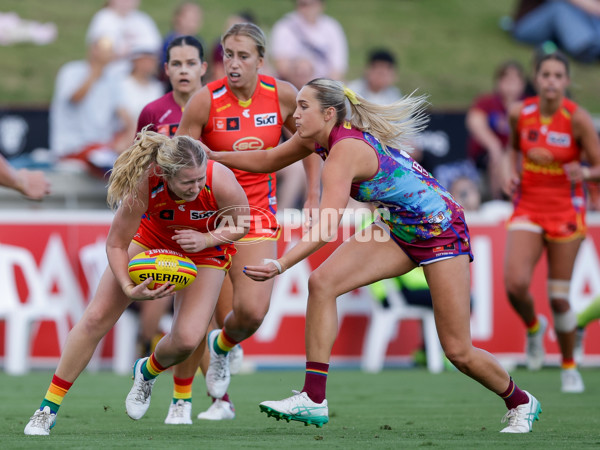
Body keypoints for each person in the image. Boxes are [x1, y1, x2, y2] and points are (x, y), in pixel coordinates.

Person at [207, 78, 542, 433]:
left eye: (304, 106)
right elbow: (269, 158)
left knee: (458, 351)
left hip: (440, 227)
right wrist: (213, 157)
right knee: (322, 283)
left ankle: (521, 401)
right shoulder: (315, 137)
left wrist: (280, 263)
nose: (296, 112)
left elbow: (326, 227)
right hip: (398, 226)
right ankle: (313, 397)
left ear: (329, 113)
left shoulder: (344, 151)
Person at [23, 129, 249, 436]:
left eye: (199, 179)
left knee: (186, 340)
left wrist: (207, 237)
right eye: (187, 182)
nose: (196, 187)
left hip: (206, 248)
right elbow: (116, 244)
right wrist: (129, 288)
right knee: (96, 318)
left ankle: (147, 370)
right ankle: (47, 408)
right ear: (166, 175)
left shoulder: (218, 178)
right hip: (152, 241)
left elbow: (242, 222)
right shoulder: (145, 183)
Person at [161, 22, 320, 424]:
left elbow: (311, 144)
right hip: (209, 216)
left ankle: (224, 346)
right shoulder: (204, 101)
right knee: (193, 318)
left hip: (256, 217)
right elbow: (179, 163)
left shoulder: (283, 95)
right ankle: (181, 399)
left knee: (250, 313)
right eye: (227, 55)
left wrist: (315, 194)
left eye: (243, 56)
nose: (233, 64)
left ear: (260, 60)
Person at [503, 51, 600, 393]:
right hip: (528, 205)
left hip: (566, 211)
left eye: (559, 76)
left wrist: (585, 171)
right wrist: (508, 172)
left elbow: (598, 167)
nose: (552, 81)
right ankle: (533, 328)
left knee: (559, 297)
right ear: (536, 78)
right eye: (546, 74)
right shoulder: (520, 113)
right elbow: (511, 149)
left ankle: (569, 365)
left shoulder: (577, 119)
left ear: (567, 81)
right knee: (514, 283)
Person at [132, 35, 207, 359]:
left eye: (190, 63)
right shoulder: (153, 111)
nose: (183, 70)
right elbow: (136, 164)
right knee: (160, 283)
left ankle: (214, 385)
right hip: (160, 217)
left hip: (206, 219)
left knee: (213, 312)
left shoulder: (217, 106)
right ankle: (145, 349)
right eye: (176, 64)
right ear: (166, 70)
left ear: (203, 67)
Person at [49, 37, 128, 178]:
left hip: (103, 148)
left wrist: (127, 138)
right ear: (93, 49)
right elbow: (75, 98)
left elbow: (125, 117)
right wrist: (96, 71)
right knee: (115, 168)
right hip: (72, 147)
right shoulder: (71, 71)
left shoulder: (113, 78)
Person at [466, 60, 526, 202]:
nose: (510, 84)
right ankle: (500, 198)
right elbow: (474, 121)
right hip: (489, 157)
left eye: (515, 79)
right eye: (506, 79)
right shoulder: (487, 102)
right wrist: (493, 145)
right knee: (501, 157)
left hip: (520, 155)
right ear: (498, 82)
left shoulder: (529, 105)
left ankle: (515, 198)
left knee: (513, 156)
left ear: (522, 83)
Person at [270, 0, 348, 82]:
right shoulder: (285, 26)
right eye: (303, 4)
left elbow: (338, 69)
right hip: (294, 83)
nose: (308, 9)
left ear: (321, 5)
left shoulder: (332, 27)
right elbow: (282, 67)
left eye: (312, 4)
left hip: (323, 86)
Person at [510, 0, 600, 63]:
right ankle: (584, 48)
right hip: (527, 25)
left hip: (556, 31)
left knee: (591, 17)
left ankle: (593, 45)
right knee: (560, 7)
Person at [85, 0, 161, 73]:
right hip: (109, 73)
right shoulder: (104, 18)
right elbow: (99, 54)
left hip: (139, 77)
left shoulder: (143, 20)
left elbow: (154, 51)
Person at [117, 46, 164, 143]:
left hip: (149, 136)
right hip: (125, 134)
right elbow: (122, 113)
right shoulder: (121, 83)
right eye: (145, 60)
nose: (150, 64)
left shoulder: (157, 87)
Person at [159, 2, 204, 88]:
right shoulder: (170, 41)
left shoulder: (200, 42)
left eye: (195, 20)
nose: (192, 23)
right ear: (178, 19)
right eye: (189, 19)